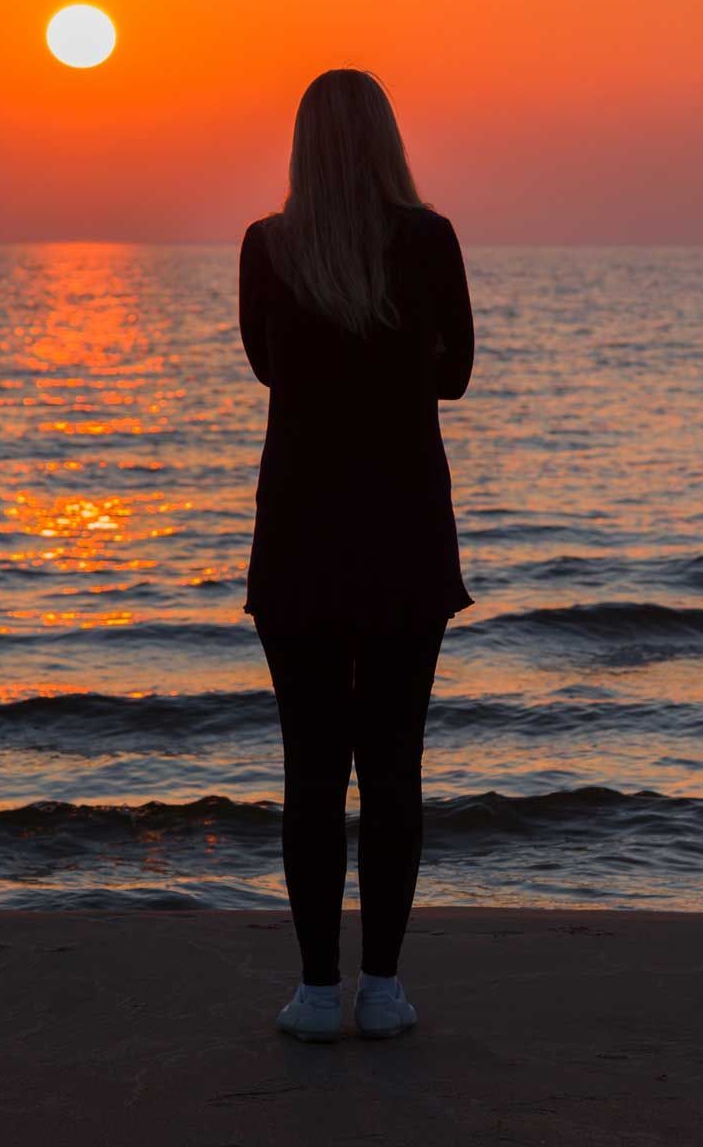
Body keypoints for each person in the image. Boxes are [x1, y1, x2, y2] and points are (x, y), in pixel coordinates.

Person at [237, 67, 475, 1043]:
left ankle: (314, 991)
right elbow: (455, 376)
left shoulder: (268, 246)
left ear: (302, 144)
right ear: (386, 140)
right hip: (404, 531)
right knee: (392, 766)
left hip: (298, 533)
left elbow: (265, 365)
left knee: (310, 768)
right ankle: (381, 987)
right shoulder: (427, 240)